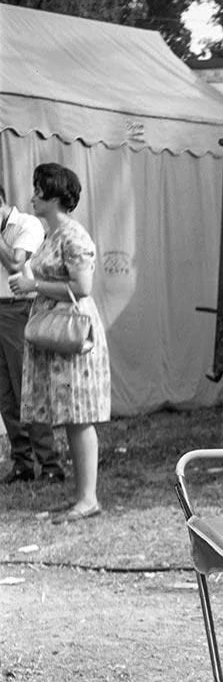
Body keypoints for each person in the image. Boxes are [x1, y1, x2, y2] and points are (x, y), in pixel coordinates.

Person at [7, 164, 110, 523]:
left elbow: (83, 288)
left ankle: (88, 498)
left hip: (72, 333)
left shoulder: (72, 235)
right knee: (69, 414)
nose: (32, 196)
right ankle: (82, 497)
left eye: (38, 190)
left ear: (54, 197)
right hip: (55, 330)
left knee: (79, 415)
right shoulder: (52, 234)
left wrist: (34, 287)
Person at [0, 183, 63, 485]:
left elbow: (15, 263)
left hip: (19, 310)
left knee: (27, 387)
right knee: (5, 393)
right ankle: (22, 462)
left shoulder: (26, 224)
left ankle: (49, 462)